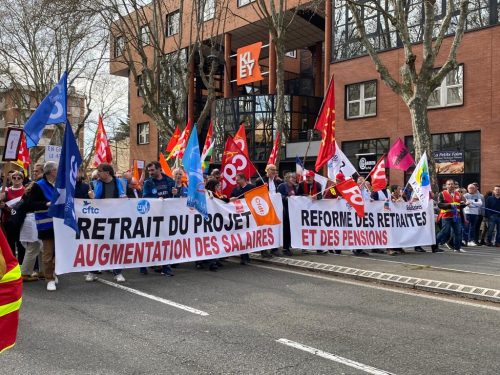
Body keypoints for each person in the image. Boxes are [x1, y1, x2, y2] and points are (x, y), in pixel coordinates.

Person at [85, 163, 127, 283]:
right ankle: (92, 272)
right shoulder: (95, 184)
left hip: (116, 218)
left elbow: (130, 198)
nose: (98, 173)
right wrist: (91, 198)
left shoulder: (121, 183)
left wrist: (126, 198)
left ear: (107, 172)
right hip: (100, 219)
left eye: (100, 170)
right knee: (96, 246)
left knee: (116, 246)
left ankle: (117, 272)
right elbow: (90, 203)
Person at [23, 162, 58, 291]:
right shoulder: (39, 186)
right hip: (46, 224)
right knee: (48, 252)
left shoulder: (60, 184)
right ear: (51, 171)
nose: (58, 172)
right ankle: (49, 278)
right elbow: (31, 205)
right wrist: (46, 204)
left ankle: (54, 272)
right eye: (56, 169)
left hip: (60, 224)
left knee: (58, 252)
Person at [141, 161, 175, 276]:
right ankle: (143, 265)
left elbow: (174, 197)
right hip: (153, 216)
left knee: (165, 241)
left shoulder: (170, 181)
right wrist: (157, 199)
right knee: (150, 242)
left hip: (167, 216)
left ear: (159, 169)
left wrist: (174, 192)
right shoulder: (148, 183)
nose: (150, 172)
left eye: (152, 170)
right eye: (149, 170)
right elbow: (145, 197)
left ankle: (166, 267)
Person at [433, 179, 468, 253]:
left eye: (452, 184)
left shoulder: (458, 194)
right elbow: (440, 205)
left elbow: (460, 206)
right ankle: (434, 246)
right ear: (446, 186)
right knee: (444, 232)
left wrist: (465, 204)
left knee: (458, 232)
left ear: (454, 185)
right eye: (449, 184)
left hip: (456, 216)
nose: (451, 186)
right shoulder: (442, 194)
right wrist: (450, 205)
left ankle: (457, 248)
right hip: (446, 216)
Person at [1, 170, 26, 261]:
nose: (16, 179)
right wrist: (3, 205)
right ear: (11, 179)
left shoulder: (25, 190)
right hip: (8, 220)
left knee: (21, 243)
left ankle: (21, 263)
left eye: (19, 178)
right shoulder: (6, 191)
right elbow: (2, 204)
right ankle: (12, 263)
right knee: (10, 243)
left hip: (21, 221)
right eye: (14, 178)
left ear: (22, 179)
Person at [230, 173, 255, 264]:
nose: (236, 181)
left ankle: (246, 255)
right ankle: (244, 257)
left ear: (244, 179)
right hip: (240, 217)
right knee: (241, 236)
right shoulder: (236, 190)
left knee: (248, 236)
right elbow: (230, 201)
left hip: (250, 216)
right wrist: (231, 199)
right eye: (236, 180)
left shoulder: (251, 187)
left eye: (238, 179)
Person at [277, 172, 297, 256]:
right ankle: (285, 248)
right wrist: (286, 198)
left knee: (290, 229)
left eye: (295, 178)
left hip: (292, 212)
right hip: (284, 211)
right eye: (292, 178)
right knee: (286, 229)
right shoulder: (282, 186)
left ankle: (288, 245)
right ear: (288, 178)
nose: (294, 179)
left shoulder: (294, 187)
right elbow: (278, 196)